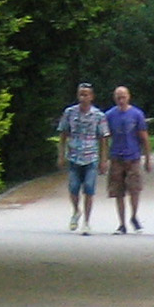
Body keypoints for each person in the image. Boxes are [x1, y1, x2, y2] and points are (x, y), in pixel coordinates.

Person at [54, 82, 110, 235]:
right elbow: (63, 135)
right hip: (74, 156)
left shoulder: (99, 115)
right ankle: (76, 211)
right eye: (81, 94)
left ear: (91, 97)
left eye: (86, 94)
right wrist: (61, 155)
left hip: (91, 157)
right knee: (73, 187)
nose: (83, 97)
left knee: (89, 189)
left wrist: (104, 160)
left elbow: (103, 139)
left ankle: (87, 221)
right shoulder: (69, 113)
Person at [103, 85, 150, 233]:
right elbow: (105, 138)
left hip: (133, 157)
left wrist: (148, 158)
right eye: (118, 97)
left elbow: (144, 137)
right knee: (118, 192)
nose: (120, 99)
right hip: (116, 157)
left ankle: (134, 216)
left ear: (128, 96)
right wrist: (103, 159)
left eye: (123, 96)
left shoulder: (137, 114)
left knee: (134, 189)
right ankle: (121, 223)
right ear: (114, 98)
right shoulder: (109, 115)